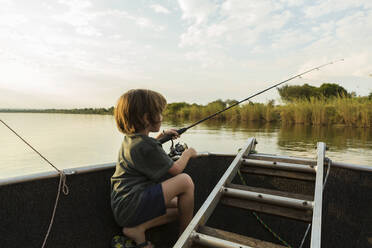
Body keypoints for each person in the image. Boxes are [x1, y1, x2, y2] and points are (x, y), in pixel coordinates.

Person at [111, 89, 197, 248]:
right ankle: (186, 239)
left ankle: (138, 228)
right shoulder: (147, 146)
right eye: (159, 113)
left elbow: (148, 147)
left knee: (182, 206)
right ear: (145, 117)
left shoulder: (132, 140)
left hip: (123, 206)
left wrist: (163, 136)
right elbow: (176, 170)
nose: (161, 117)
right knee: (185, 181)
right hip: (133, 205)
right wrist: (188, 154)